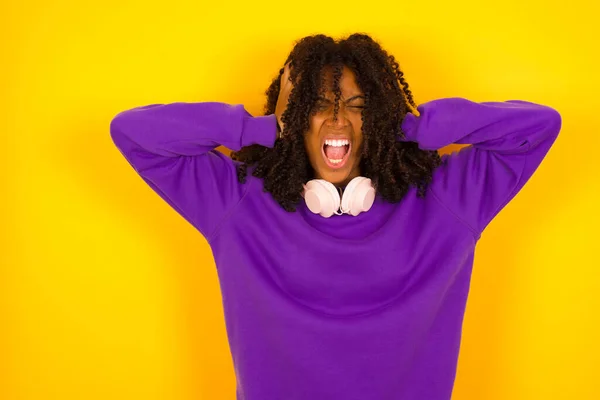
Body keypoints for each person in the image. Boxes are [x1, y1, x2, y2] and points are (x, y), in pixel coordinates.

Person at [110, 33, 562, 400]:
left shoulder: (446, 198)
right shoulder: (236, 200)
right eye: (319, 104)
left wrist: (409, 125)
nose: (338, 120)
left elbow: (541, 125)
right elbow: (131, 132)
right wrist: (261, 128)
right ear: (294, 117)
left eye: (359, 106)